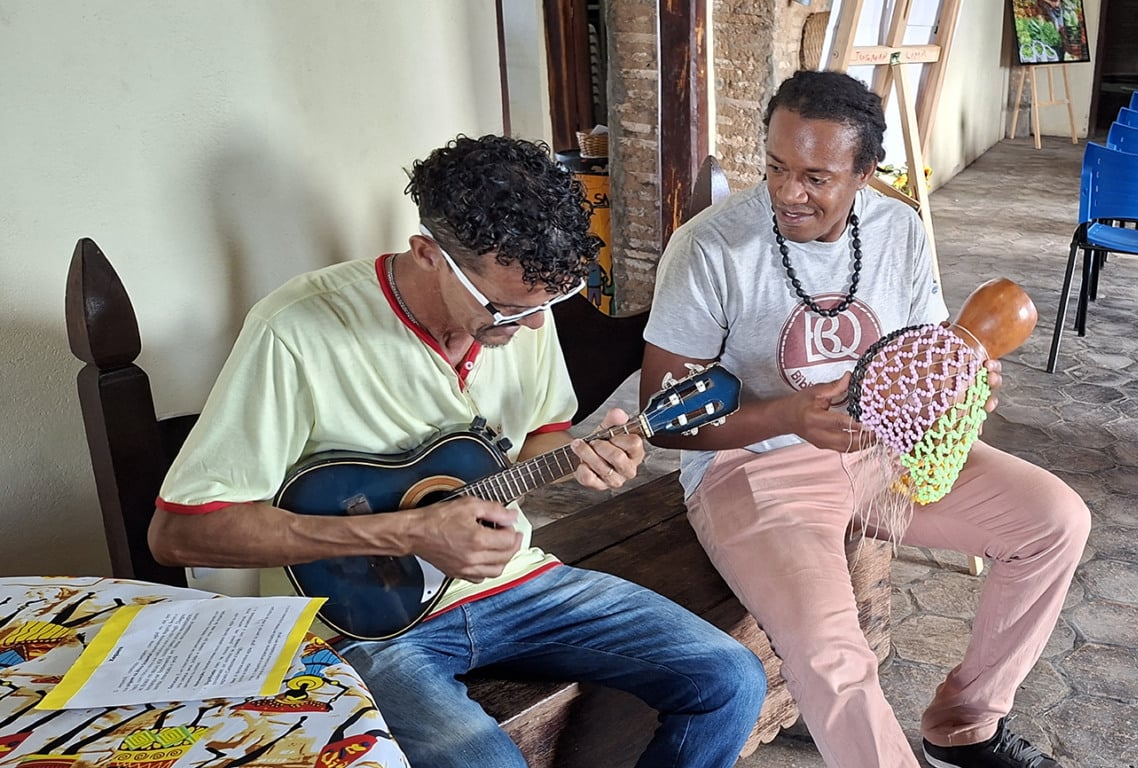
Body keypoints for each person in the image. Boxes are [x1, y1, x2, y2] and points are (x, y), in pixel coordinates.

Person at [149, 134, 767, 768]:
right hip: (361, 626)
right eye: (506, 308)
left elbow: (543, 435)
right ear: (427, 254)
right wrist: (412, 529)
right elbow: (181, 535)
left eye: (546, 304)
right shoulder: (298, 329)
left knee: (729, 679)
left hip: (512, 581)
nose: (530, 326)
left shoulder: (527, 308)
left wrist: (586, 458)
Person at [639, 71, 1090, 768]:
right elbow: (662, 420)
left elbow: (923, 351)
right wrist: (786, 416)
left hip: (885, 452)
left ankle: (964, 726)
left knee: (1055, 521)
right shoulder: (709, 248)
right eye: (775, 168)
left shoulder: (899, 227)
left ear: (864, 172)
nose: (789, 193)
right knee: (832, 655)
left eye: (816, 177)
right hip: (755, 468)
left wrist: (958, 378)